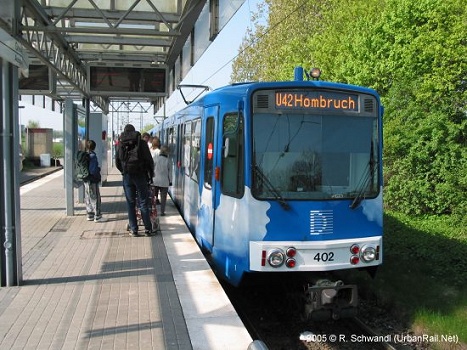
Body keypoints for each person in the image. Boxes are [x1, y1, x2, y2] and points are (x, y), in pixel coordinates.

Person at [116, 124, 155, 236]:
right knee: (143, 202)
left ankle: (134, 229)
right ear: (134, 131)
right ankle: (148, 228)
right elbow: (149, 160)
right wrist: (150, 175)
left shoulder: (121, 143)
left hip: (127, 176)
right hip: (141, 175)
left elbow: (117, 162)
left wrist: (123, 171)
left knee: (130, 203)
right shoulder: (141, 143)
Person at [83, 140, 103, 222]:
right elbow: (93, 170)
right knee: (96, 197)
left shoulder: (84, 155)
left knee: (88, 197)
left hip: (86, 179)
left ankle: (89, 214)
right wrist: (98, 170)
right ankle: (97, 215)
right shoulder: (93, 156)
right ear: (94, 147)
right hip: (92, 179)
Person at [152, 145, 171, 216]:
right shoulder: (167, 160)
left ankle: (153, 210)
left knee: (154, 196)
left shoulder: (155, 158)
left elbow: (151, 168)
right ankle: (162, 212)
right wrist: (170, 181)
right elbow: (169, 172)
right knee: (163, 198)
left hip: (155, 180)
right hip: (164, 181)